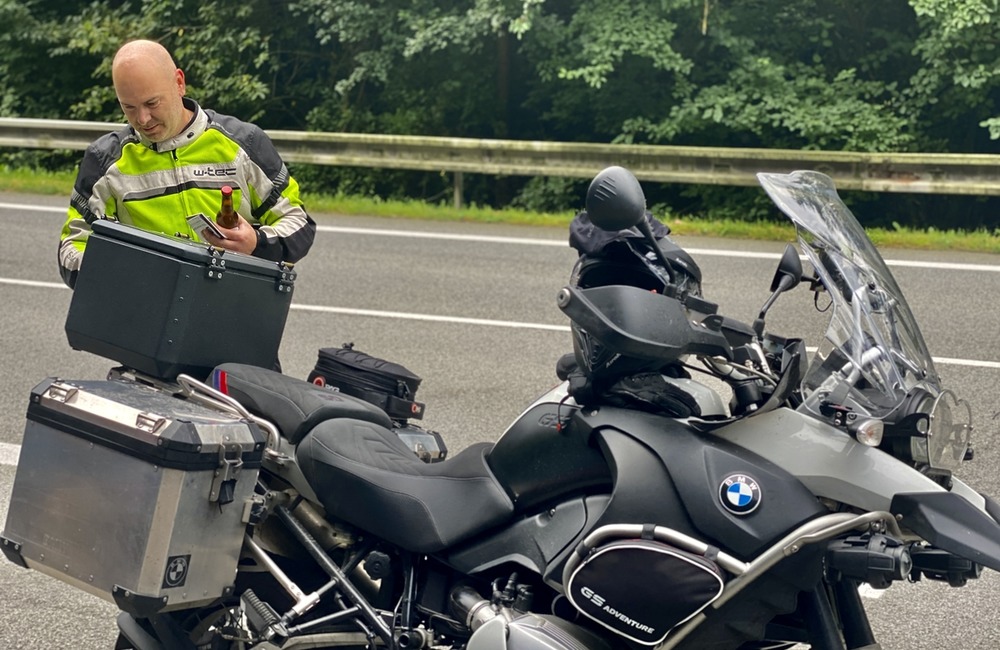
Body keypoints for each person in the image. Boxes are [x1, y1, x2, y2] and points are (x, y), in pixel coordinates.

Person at [57, 39, 316, 288]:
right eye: (129, 107)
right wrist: (118, 273)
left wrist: (256, 243)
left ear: (179, 83)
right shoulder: (103, 161)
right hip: (146, 316)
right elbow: (72, 246)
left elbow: (298, 222)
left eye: (151, 103)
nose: (143, 119)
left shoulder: (244, 143)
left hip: (234, 312)